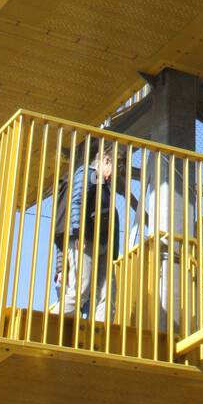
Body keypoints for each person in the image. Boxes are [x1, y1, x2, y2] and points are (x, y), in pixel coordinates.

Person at [51, 138, 121, 321]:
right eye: (115, 167)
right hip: (87, 239)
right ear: (106, 161)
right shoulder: (90, 173)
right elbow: (77, 200)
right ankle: (48, 323)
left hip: (102, 242)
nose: (115, 174)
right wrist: (78, 232)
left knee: (107, 294)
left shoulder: (103, 185)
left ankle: (100, 332)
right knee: (81, 289)